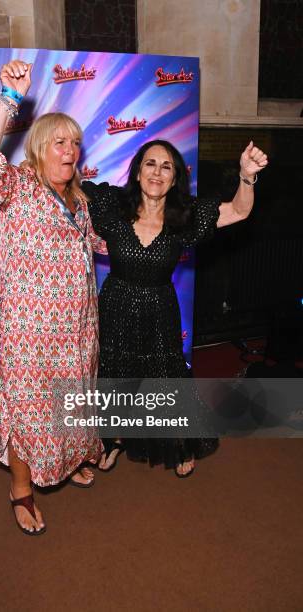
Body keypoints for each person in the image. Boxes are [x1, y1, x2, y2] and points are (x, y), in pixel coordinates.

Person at [0, 61, 107, 535]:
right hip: (27, 334)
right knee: (27, 409)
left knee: (71, 404)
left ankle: (66, 463)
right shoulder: (20, 186)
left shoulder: (80, 200)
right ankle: (20, 488)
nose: (70, 150)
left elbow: (99, 246)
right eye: (60, 142)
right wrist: (9, 98)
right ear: (40, 150)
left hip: (78, 330)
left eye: (75, 142)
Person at [83, 138, 268, 476]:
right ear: (138, 172)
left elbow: (240, 211)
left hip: (159, 309)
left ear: (175, 177)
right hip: (117, 304)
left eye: (166, 166)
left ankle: (178, 441)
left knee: (165, 377)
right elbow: (70, 191)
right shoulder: (113, 206)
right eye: (150, 164)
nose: (157, 172)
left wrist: (246, 176)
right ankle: (113, 437)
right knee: (114, 374)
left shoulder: (186, 216)